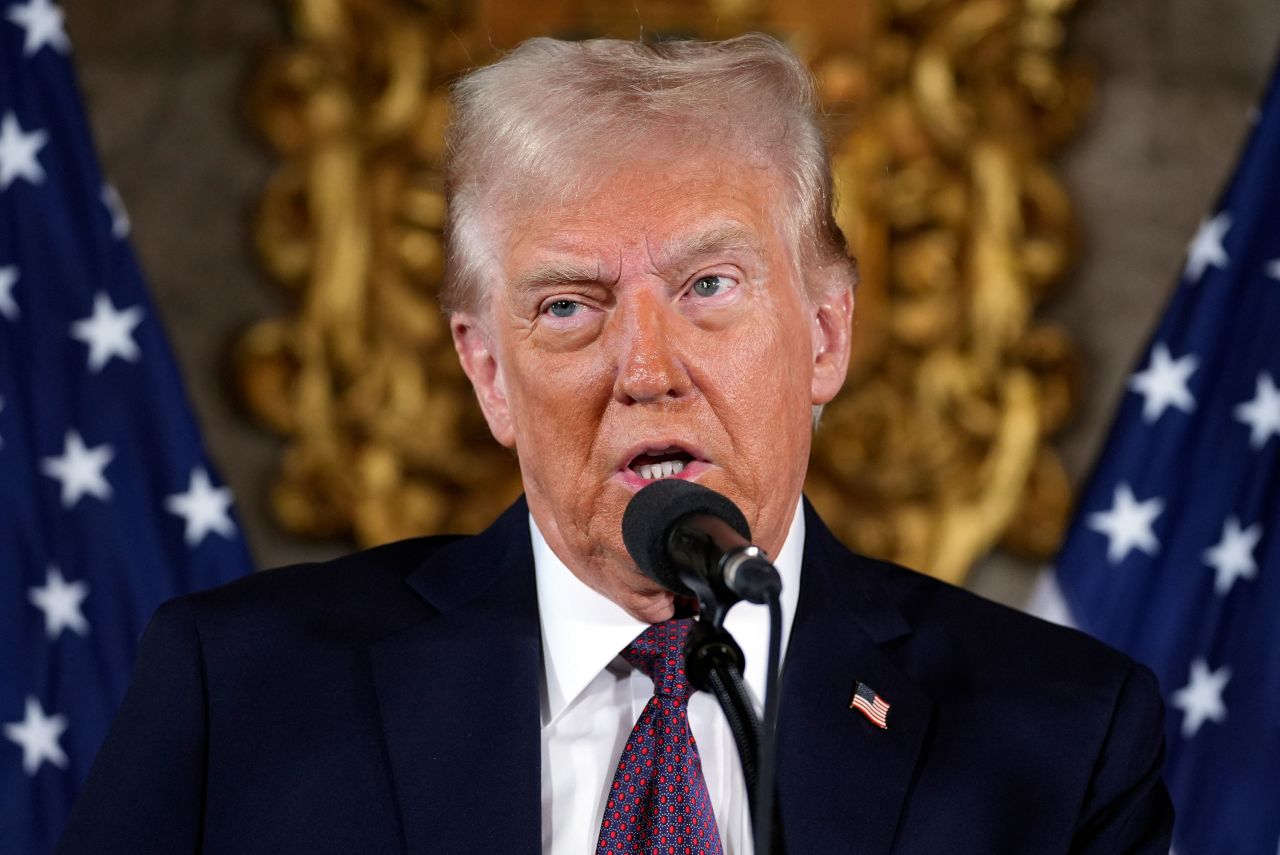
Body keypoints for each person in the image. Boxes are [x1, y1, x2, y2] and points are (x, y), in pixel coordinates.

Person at [57, 35, 1173, 854]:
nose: (646, 367)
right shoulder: (241, 694)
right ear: (487, 372)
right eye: (567, 306)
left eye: (707, 286)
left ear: (825, 334)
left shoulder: (1059, 738)